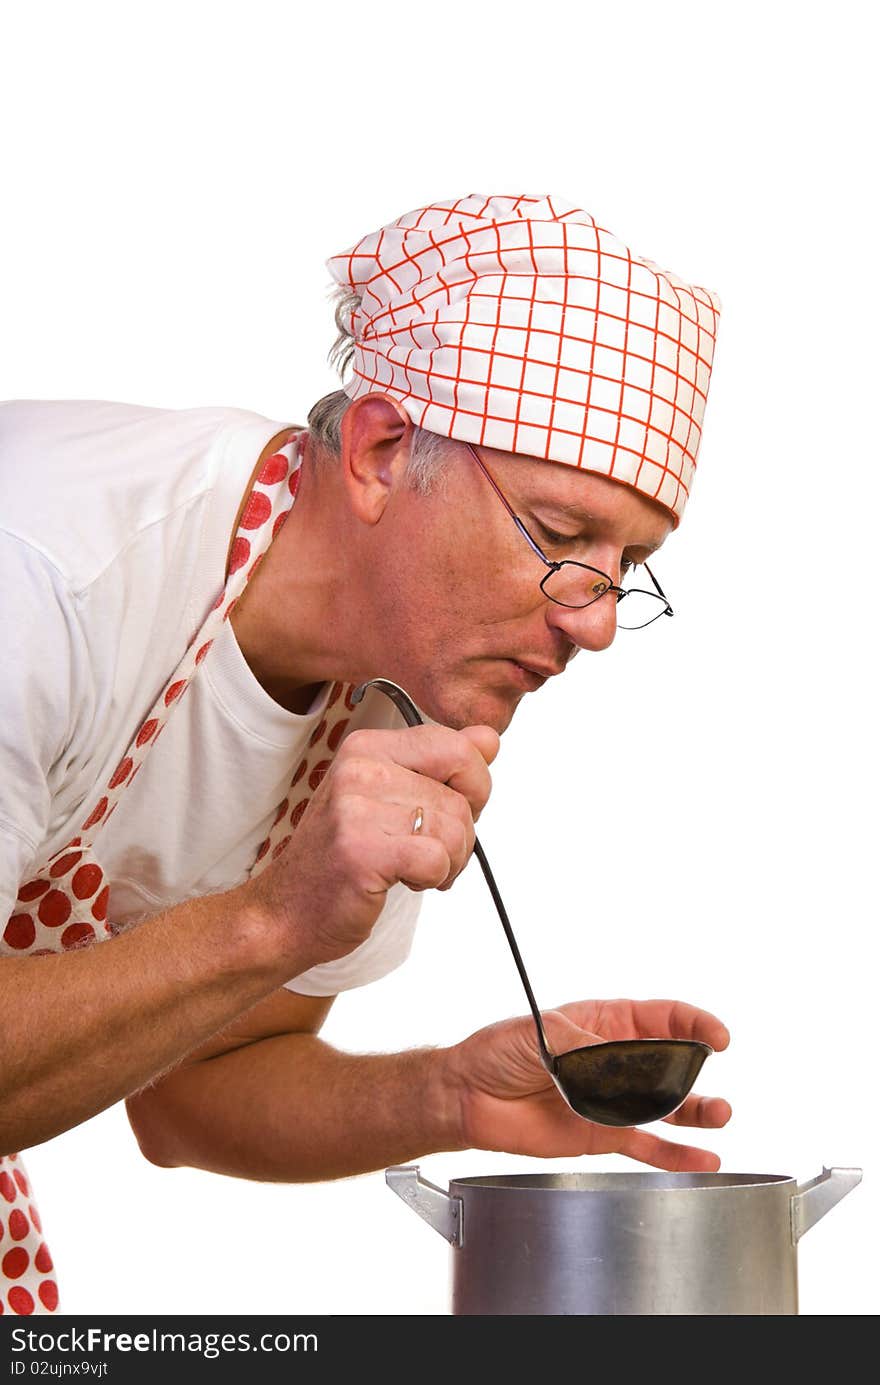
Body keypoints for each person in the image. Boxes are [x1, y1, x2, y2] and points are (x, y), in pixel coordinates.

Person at [0, 193, 728, 1316]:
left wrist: (447, 1092)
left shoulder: (404, 692)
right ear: (385, 451)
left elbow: (192, 1093)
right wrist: (272, 916)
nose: (593, 618)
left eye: (627, 562)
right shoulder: (46, 574)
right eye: (562, 533)